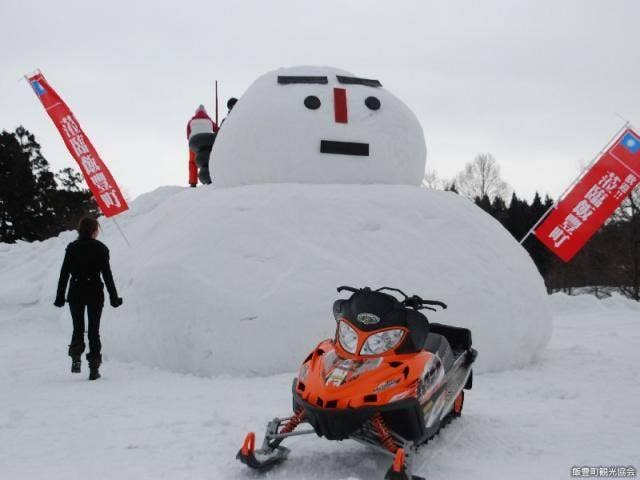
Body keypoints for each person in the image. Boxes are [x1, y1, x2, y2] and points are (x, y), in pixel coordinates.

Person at [54, 217, 122, 380]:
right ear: (94, 231)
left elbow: (64, 274)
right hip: (94, 293)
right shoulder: (101, 248)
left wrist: (60, 297)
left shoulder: (72, 248)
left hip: (76, 291)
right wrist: (114, 297)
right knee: (93, 330)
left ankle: (76, 357)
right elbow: (107, 275)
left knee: (78, 328)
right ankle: (94, 368)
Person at [187, 105, 218, 186]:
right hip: (208, 140)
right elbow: (217, 131)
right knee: (209, 160)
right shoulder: (209, 121)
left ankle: (193, 183)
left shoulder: (191, 122)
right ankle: (210, 179)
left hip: (195, 141)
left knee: (193, 162)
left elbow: (188, 135)